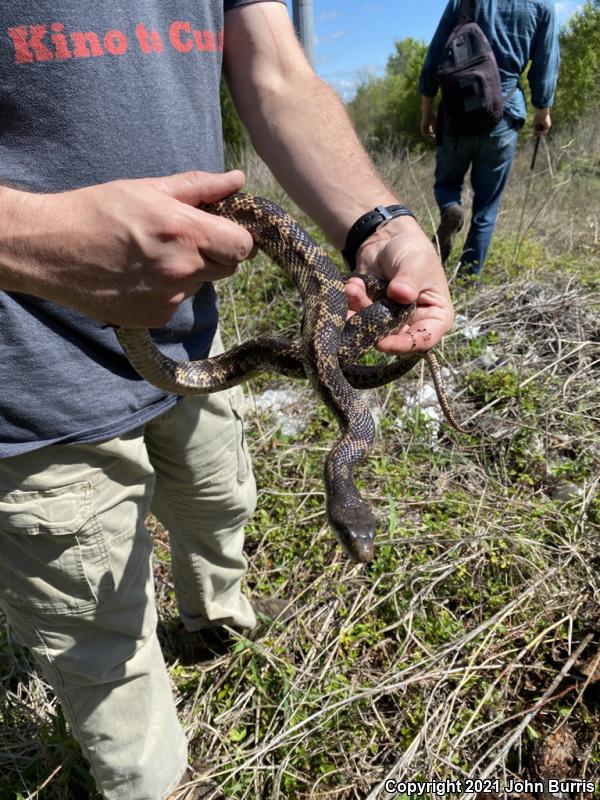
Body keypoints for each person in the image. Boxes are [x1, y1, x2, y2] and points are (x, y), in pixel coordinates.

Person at [0, 2, 454, 798]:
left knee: (219, 504)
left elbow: (274, 66)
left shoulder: (333, 396)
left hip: (196, 350)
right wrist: (30, 237)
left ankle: (216, 630)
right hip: (26, 380)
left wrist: (377, 224)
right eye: (353, 537)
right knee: (101, 644)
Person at [419, 0, 560, 278]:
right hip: (504, 115)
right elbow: (545, 61)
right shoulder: (543, 5)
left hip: (457, 112)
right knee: (486, 206)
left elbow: (436, 53)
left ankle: (450, 208)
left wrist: (427, 107)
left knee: (447, 183)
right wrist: (543, 109)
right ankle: (467, 279)